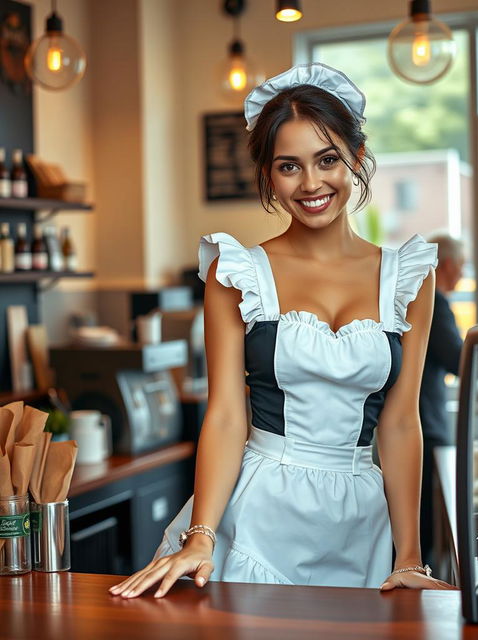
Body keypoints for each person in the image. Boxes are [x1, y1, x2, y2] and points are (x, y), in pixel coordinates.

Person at [110, 63, 456, 599]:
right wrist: (201, 535)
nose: (311, 183)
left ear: (357, 160)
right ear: (268, 176)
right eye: (289, 166)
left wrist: (408, 554)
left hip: (361, 520)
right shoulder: (237, 272)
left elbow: (401, 421)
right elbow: (226, 414)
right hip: (256, 513)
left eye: (328, 160)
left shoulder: (410, 277)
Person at [418, 232, 478, 565]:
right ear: (447, 265)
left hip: (423, 420)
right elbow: (456, 357)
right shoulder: (435, 302)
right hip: (424, 422)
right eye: (463, 266)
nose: (463, 274)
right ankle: (420, 570)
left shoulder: (420, 300)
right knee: (423, 512)